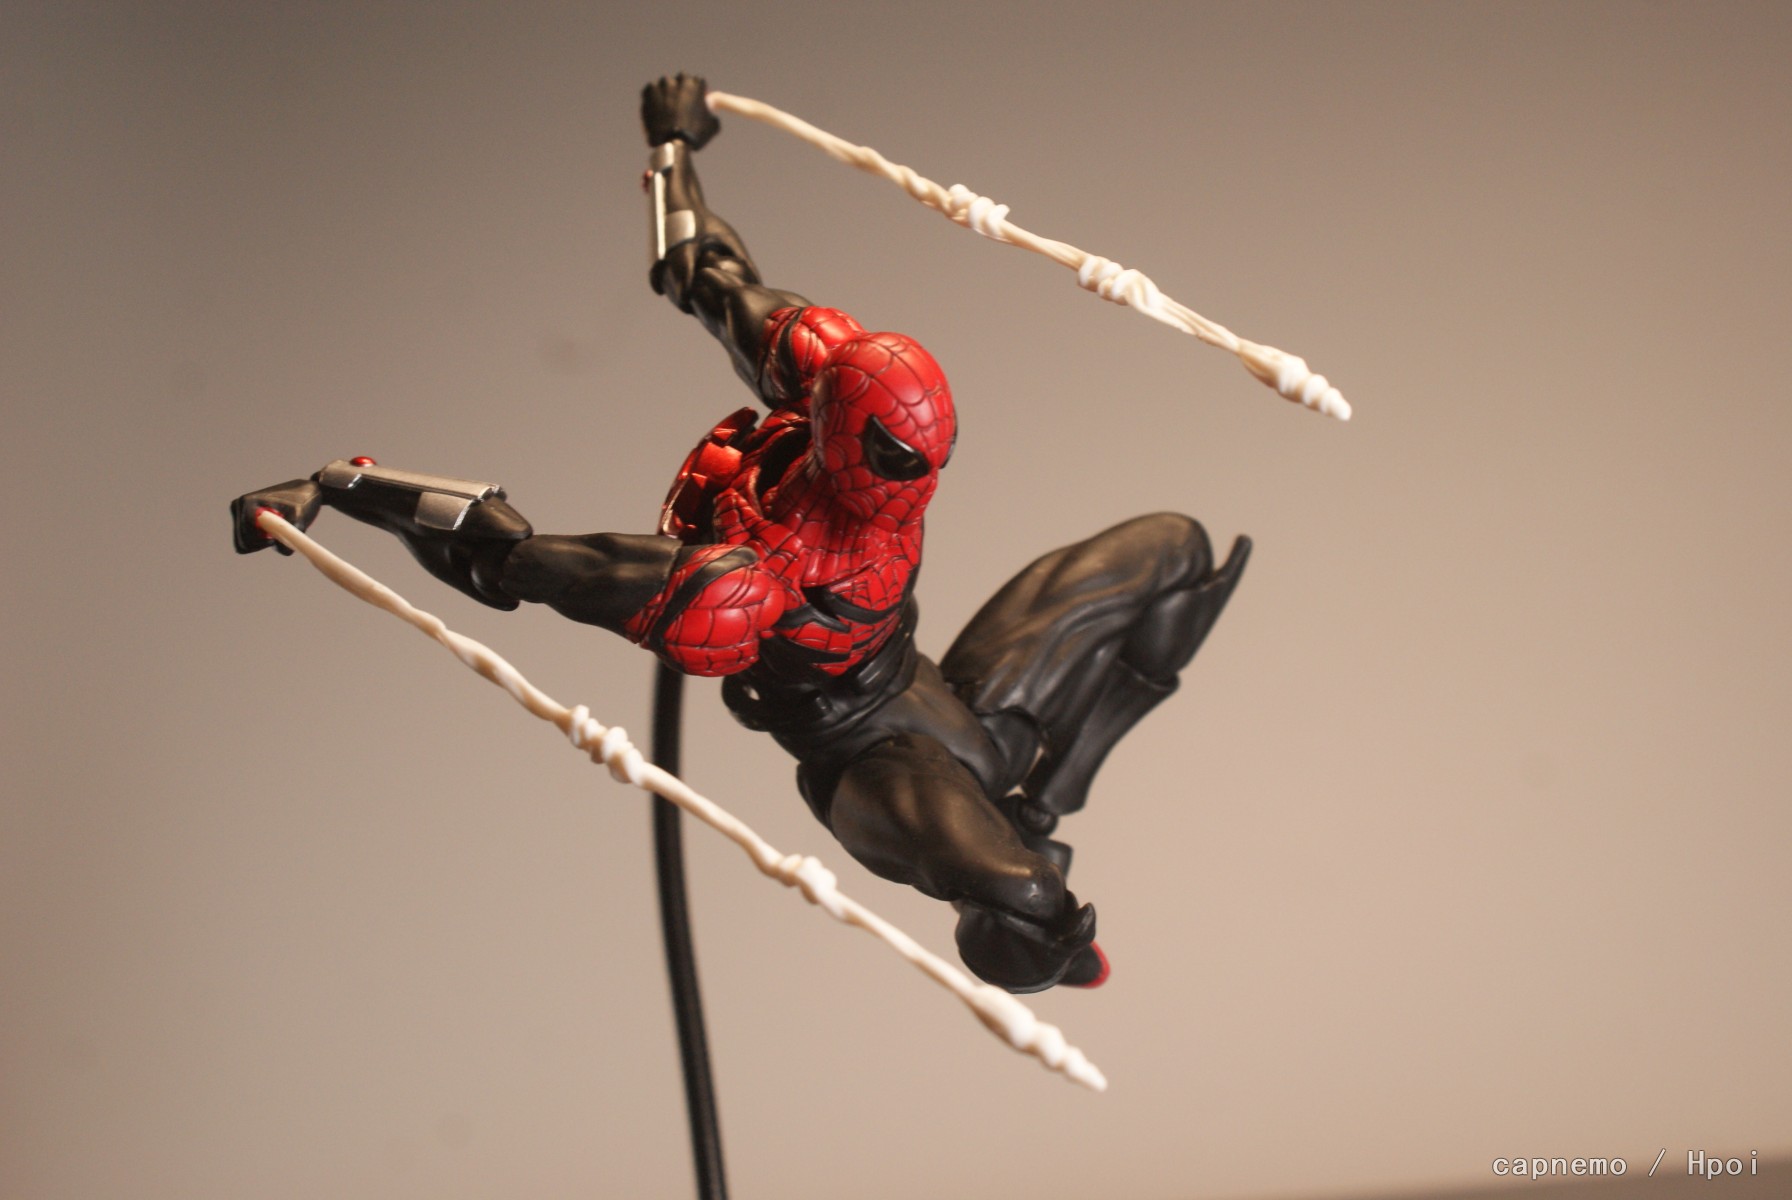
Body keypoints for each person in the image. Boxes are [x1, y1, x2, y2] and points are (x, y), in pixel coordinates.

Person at [232, 75, 1249, 993]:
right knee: (1022, 891)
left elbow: (702, 267)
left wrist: (674, 146)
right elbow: (517, 559)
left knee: (1175, 549)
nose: (916, 486)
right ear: (843, 425)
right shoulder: (744, 575)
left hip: (939, 693)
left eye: (928, 458)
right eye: (897, 460)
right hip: (865, 757)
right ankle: (1026, 867)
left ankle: (1046, 800)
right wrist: (339, 487)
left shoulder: (828, 375)